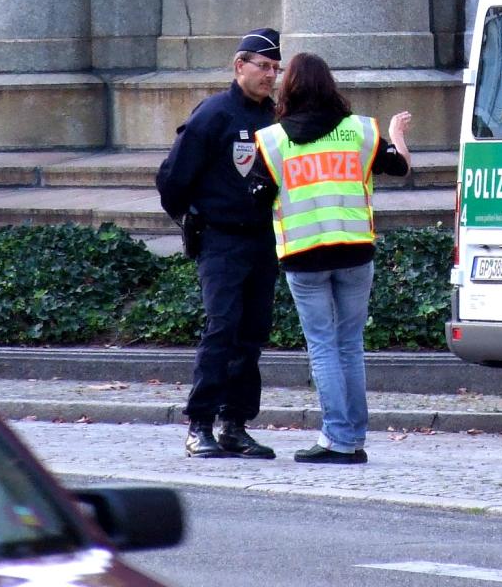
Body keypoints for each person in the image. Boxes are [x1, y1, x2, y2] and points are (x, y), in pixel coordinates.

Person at [254, 53, 411, 464]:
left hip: (304, 256)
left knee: (323, 346)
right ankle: (353, 438)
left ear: (287, 88)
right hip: (356, 251)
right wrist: (396, 134)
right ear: (330, 86)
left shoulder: (272, 139)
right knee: (350, 345)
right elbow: (400, 167)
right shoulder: (361, 131)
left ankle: (338, 439)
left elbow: (254, 196)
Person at [156, 29, 281, 459]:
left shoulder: (275, 118)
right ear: (239, 65)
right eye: (263, 66)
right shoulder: (214, 114)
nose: (270, 75)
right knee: (222, 328)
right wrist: (190, 220)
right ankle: (200, 424)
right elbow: (172, 178)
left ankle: (234, 423)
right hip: (222, 240)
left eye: (275, 69)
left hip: (262, 240)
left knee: (252, 334)